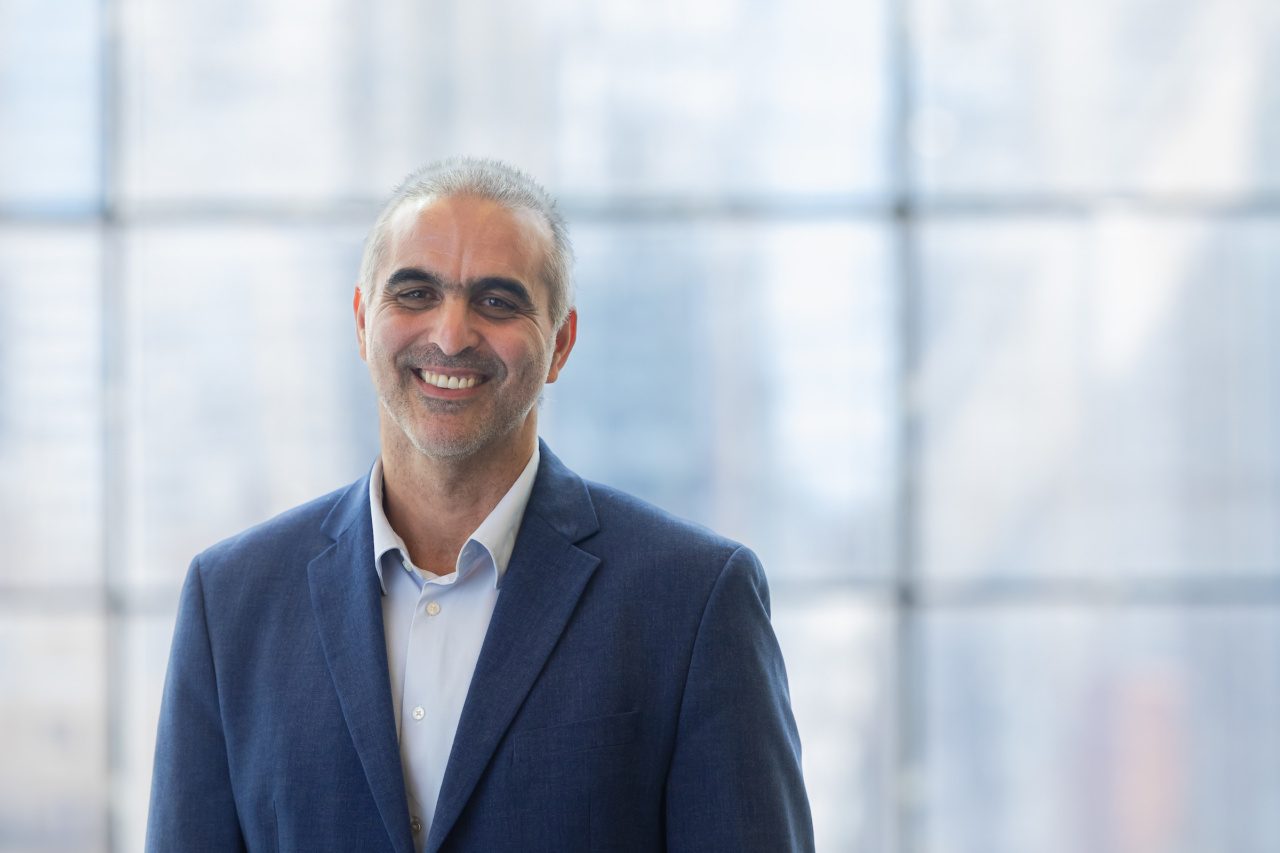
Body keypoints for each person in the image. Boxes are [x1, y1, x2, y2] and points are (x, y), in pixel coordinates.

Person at [146, 157, 814, 853]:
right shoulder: (230, 603)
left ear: (561, 342)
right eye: (414, 293)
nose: (451, 334)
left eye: (497, 301)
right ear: (360, 320)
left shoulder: (694, 600)